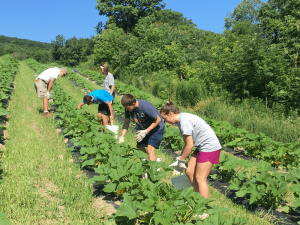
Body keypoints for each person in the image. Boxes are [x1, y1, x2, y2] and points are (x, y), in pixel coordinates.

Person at [160, 101, 221, 199]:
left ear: (170, 114)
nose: (165, 121)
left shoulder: (184, 121)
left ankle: (203, 209)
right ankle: (198, 198)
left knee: (201, 178)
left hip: (209, 147)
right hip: (201, 147)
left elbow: (190, 145)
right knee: (189, 171)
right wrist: (180, 158)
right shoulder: (181, 121)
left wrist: (182, 160)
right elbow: (186, 143)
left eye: (165, 118)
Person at [119, 94, 164, 161]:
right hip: (144, 128)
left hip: (156, 128)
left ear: (133, 103)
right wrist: (122, 136)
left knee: (150, 149)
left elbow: (158, 120)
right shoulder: (128, 108)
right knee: (139, 147)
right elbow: (126, 123)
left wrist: (146, 131)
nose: (126, 110)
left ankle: (153, 169)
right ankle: (150, 161)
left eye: (128, 108)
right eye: (125, 108)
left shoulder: (145, 106)